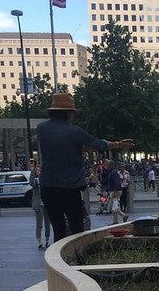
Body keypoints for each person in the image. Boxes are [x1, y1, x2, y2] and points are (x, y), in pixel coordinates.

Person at [36, 93, 134, 241]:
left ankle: (57, 260)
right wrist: (119, 144)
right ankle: (75, 260)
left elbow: (61, 146)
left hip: (48, 186)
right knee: (77, 229)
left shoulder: (41, 129)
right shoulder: (74, 131)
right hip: (69, 187)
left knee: (58, 229)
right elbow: (98, 143)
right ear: (69, 113)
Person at [30, 160, 51, 250]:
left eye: (39, 170)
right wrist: (32, 171)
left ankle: (47, 241)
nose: (39, 172)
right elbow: (31, 183)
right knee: (39, 224)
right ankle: (39, 243)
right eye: (37, 170)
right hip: (39, 204)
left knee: (47, 224)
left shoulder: (45, 180)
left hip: (46, 204)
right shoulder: (35, 180)